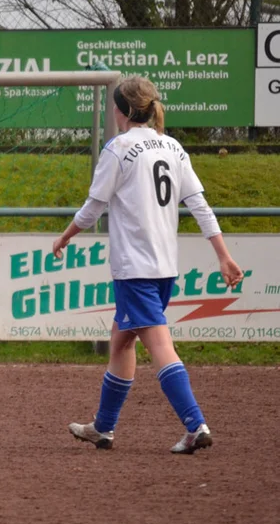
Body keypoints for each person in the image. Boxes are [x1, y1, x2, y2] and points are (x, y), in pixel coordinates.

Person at [53, 76, 244, 455]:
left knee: (158, 344)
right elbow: (200, 207)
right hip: (162, 266)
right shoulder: (173, 146)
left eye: (114, 106)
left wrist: (65, 236)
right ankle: (103, 428)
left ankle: (195, 425)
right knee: (122, 342)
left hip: (134, 268)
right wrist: (223, 254)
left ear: (122, 110)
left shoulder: (118, 148)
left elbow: (93, 208)